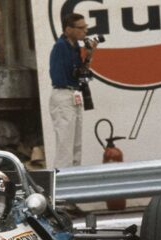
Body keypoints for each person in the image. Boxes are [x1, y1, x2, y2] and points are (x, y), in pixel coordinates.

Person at [49, 13, 97, 169]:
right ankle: (61, 184)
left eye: (86, 27)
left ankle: (74, 179)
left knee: (76, 145)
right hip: (64, 94)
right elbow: (60, 76)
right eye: (81, 28)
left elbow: (82, 74)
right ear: (68, 29)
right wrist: (77, 73)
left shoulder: (75, 47)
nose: (85, 31)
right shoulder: (60, 46)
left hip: (74, 94)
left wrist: (89, 56)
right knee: (65, 145)